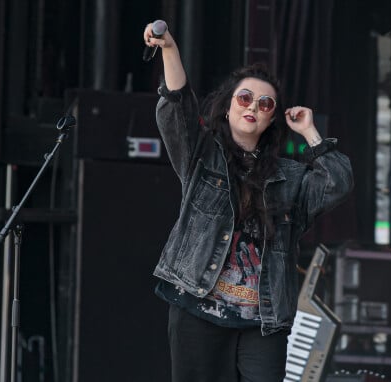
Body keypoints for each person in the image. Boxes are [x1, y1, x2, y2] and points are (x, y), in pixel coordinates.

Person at [143, 20, 354, 382]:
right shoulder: (202, 156)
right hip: (198, 308)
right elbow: (176, 106)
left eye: (264, 103)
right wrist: (169, 49)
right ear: (228, 107)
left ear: (271, 118)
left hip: (263, 320)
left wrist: (309, 132)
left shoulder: (290, 177)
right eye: (244, 98)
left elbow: (338, 182)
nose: (252, 106)